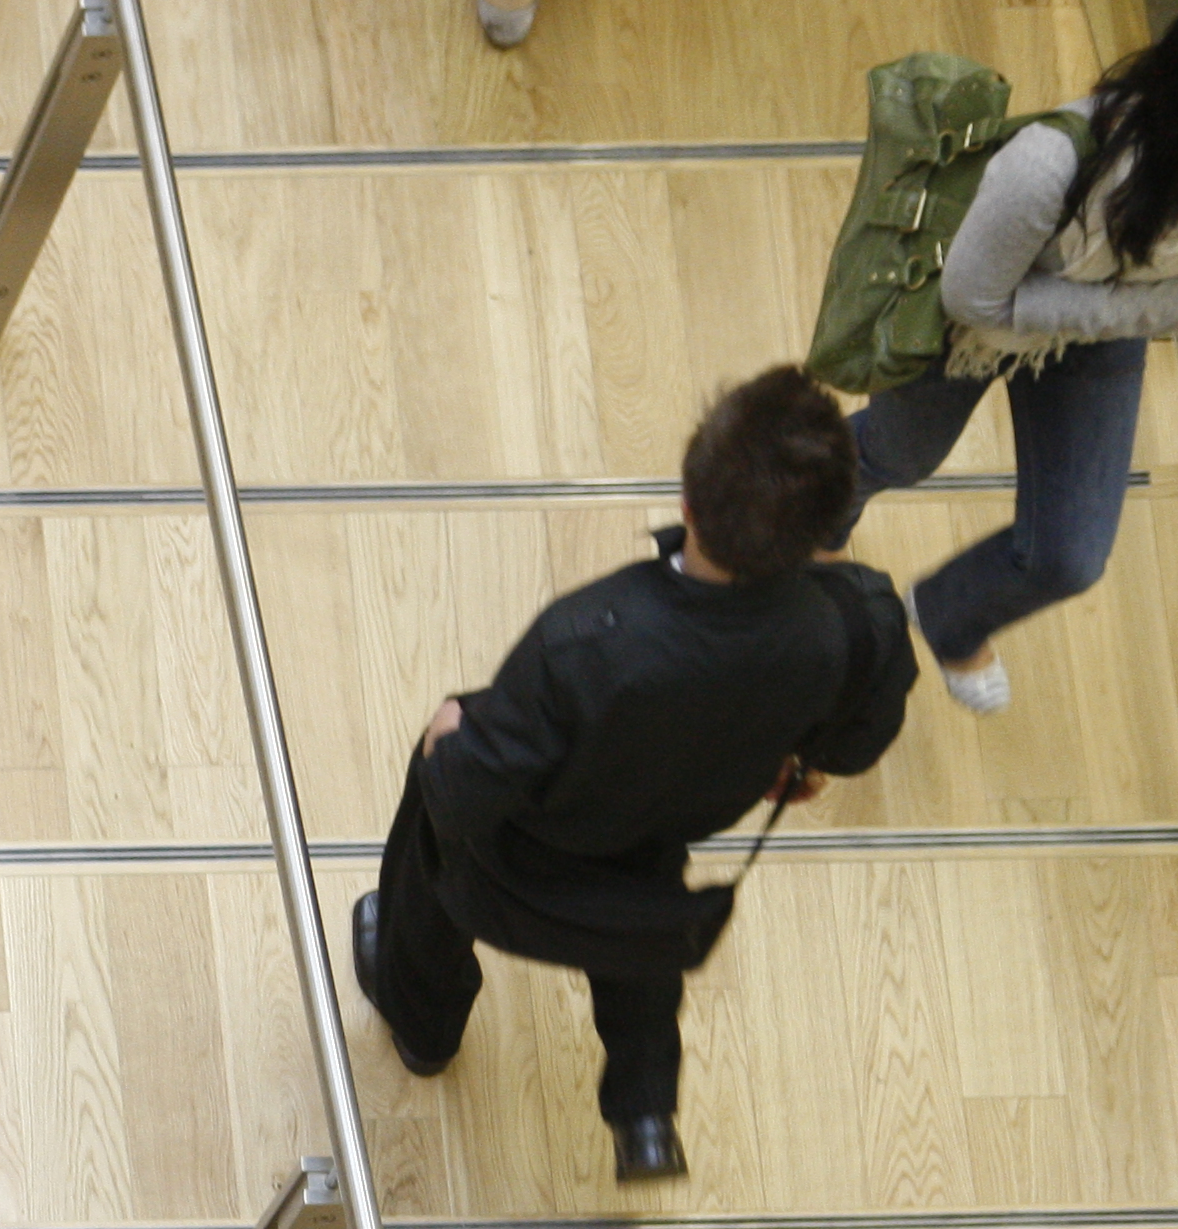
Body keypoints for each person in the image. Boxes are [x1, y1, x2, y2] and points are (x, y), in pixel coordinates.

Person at [354, 365, 914, 1182]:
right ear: (828, 532)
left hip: (522, 858)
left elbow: (466, 788)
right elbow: (854, 743)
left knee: (437, 795)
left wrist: (447, 738)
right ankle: (644, 1116)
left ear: (688, 503)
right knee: (638, 936)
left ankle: (423, 1023)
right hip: (659, 846)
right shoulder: (858, 621)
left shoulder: (588, 639)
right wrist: (800, 762)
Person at [848, 21, 1178, 718]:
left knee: (1067, 558)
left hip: (1080, 331)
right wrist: (1132, 309)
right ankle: (807, 536)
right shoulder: (1050, 163)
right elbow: (973, 297)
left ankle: (948, 615)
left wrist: (1100, 314)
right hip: (970, 331)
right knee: (893, 455)